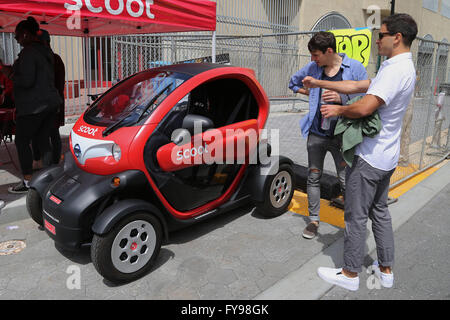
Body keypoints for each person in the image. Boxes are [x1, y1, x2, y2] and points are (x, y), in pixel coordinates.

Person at [303, 13, 418, 291]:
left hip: (369, 158)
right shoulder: (403, 67)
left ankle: (350, 273)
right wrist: (319, 84)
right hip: (386, 158)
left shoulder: (393, 70)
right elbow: (357, 85)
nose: (377, 40)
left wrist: (339, 109)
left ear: (397, 38)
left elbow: (364, 106)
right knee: (379, 211)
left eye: (381, 35)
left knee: (355, 216)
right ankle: (386, 269)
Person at [288, 31, 367, 240]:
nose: (313, 60)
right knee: (313, 177)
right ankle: (314, 220)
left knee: (346, 180)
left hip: (343, 136)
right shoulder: (313, 68)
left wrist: (342, 98)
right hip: (316, 135)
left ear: (329, 51)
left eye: (316, 55)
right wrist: (311, 93)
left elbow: (367, 99)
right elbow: (293, 82)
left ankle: (352, 225)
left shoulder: (355, 68)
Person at [0, 17, 62, 194]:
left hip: (33, 107)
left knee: (21, 141)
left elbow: (26, 81)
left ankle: (28, 181)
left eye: (17, 37)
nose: (17, 40)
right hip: (49, 104)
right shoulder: (45, 51)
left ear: (25, 34)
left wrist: (11, 75)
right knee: (44, 141)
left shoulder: (29, 53)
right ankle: (48, 178)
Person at [31, 29, 66, 168]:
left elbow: (58, 85)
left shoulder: (54, 60)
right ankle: (40, 160)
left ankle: (54, 163)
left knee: (52, 132)